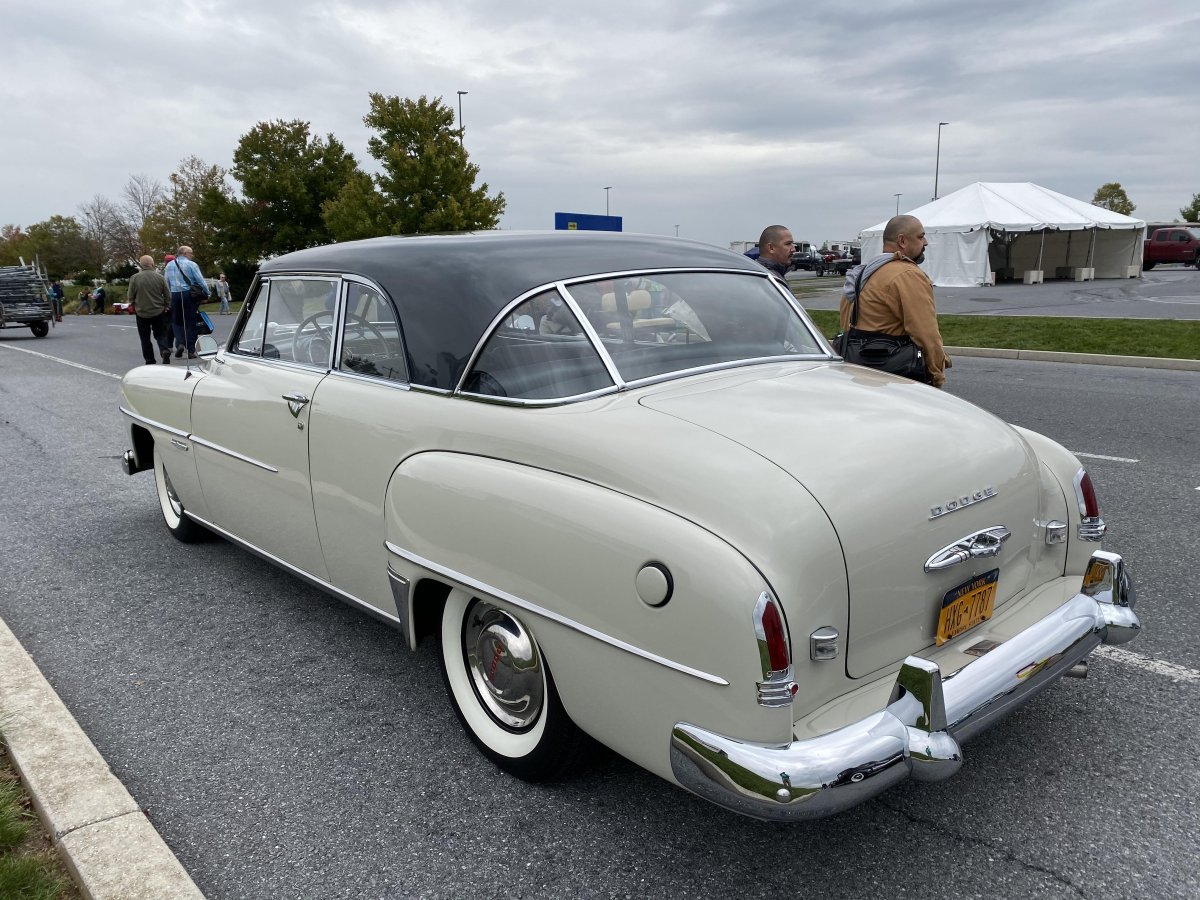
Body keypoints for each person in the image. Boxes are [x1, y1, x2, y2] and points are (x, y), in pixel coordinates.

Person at [838, 215, 951, 388]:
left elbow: (846, 321)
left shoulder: (862, 273)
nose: (926, 242)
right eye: (920, 237)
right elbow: (926, 334)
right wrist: (937, 375)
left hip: (858, 373)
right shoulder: (908, 275)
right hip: (896, 378)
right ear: (902, 241)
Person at [164, 245, 208, 359]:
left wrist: (168, 298)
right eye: (190, 253)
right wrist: (207, 292)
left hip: (174, 294)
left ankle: (181, 342)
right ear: (184, 253)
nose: (191, 255)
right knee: (191, 322)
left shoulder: (169, 265)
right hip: (188, 294)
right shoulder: (192, 264)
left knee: (176, 322)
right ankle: (191, 350)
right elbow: (200, 280)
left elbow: (166, 282)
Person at [127, 255, 173, 364]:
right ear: (152, 264)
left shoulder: (135, 278)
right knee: (161, 334)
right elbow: (168, 295)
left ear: (141, 265)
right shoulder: (159, 277)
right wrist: (166, 305)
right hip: (158, 311)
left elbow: (130, 295)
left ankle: (150, 360)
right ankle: (164, 350)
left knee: (145, 338)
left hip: (142, 312)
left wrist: (133, 303)